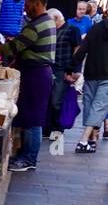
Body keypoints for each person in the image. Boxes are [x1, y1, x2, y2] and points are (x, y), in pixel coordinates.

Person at [0, 0, 56, 172]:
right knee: (31, 115)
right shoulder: (47, 21)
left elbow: (11, 48)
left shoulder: (36, 25)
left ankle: (29, 159)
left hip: (36, 74)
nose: (25, 7)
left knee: (33, 119)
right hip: (38, 73)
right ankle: (26, 155)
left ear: (37, 3)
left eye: (27, 4)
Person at [72, 12, 108, 152]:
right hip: (106, 75)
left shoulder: (95, 28)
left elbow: (83, 48)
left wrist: (72, 68)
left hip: (91, 72)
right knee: (99, 106)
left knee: (89, 103)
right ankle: (83, 140)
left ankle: (92, 139)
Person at [46, 9, 80, 138]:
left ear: (56, 18)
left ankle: (57, 128)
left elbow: (77, 50)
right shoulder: (52, 31)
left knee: (56, 100)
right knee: (51, 99)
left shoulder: (72, 29)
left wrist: (73, 70)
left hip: (63, 69)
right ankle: (49, 127)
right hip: (51, 68)